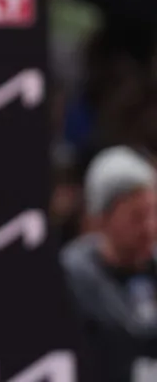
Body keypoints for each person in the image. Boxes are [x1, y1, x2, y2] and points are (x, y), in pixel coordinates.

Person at [61, 145, 157, 382]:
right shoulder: (74, 276)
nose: (149, 228)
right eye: (136, 217)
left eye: (153, 214)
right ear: (102, 218)